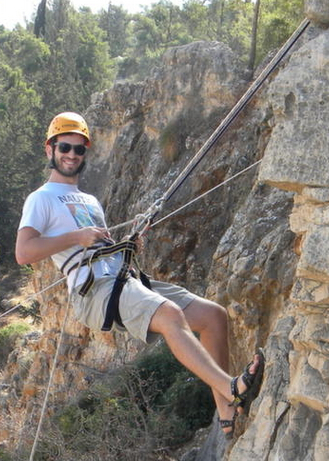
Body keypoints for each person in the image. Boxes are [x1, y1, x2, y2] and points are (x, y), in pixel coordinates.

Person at [16, 112, 262, 436]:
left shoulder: (89, 200)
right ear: (50, 149)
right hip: (94, 292)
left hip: (120, 279)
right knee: (170, 314)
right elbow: (24, 252)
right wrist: (77, 237)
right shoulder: (41, 199)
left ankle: (226, 412)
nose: (72, 154)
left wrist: (126, 246)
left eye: (79, 149)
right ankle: (231, 387)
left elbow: (97, 247)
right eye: (65, 147)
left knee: (213, 316)